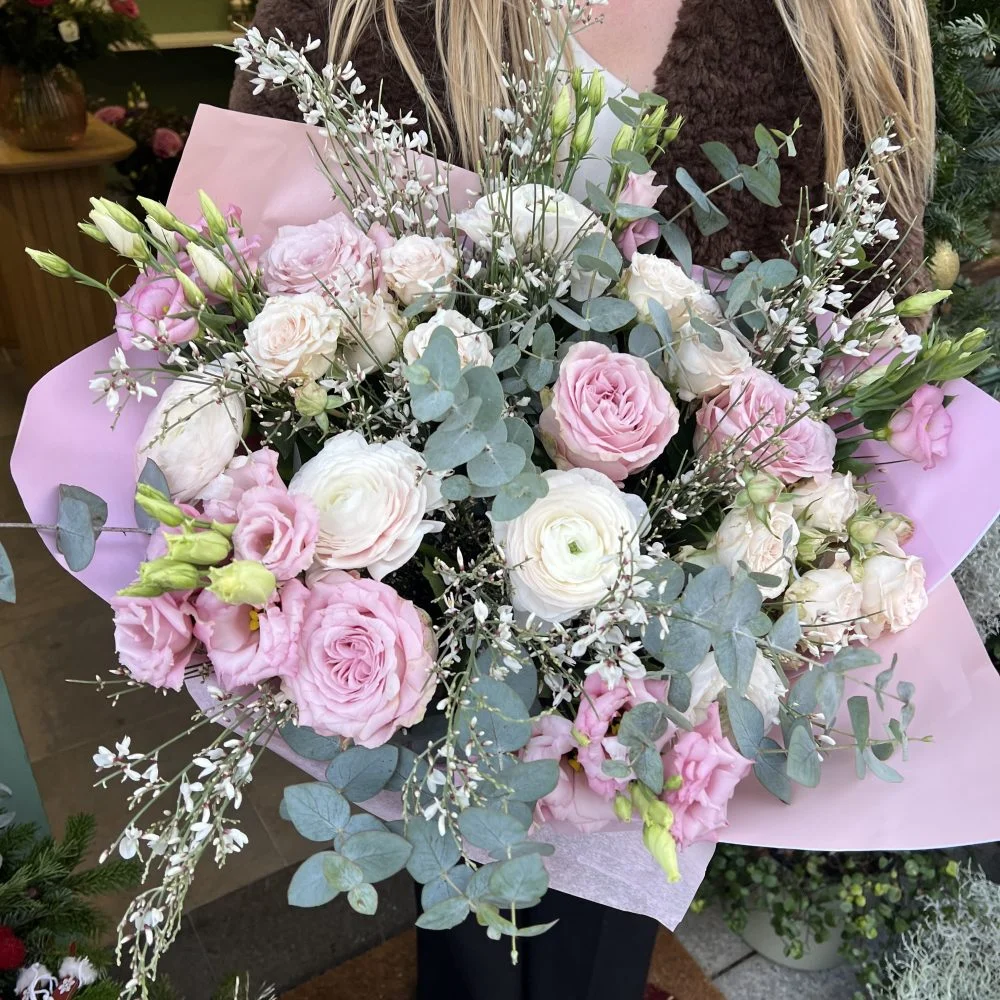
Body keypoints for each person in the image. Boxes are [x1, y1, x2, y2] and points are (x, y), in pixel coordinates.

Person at [229, 1, 935, 997]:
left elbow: (867, 377)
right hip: (424, 666)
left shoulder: (836, 29)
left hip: (660, 685)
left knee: (599, 950)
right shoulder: (352, 20)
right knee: (464, 937)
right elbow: (245, 312)